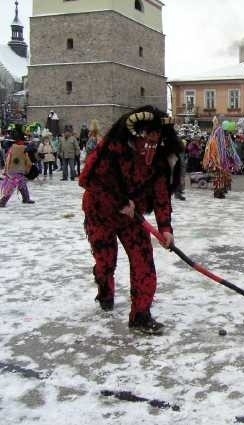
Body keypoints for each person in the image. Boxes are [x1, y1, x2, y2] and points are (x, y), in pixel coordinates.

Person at [78, 105, 183, 335]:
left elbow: (161, 195)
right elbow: (87, 179)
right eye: (149, 134)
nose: (153, 140)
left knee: (144, 262)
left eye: (158, 135)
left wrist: (165, 227)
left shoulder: (160, 160)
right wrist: (119, 203)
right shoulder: (112, 148)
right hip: (100, 212)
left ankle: (140, 315)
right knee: (106, 262)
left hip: (132, 219)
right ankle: (104, 287)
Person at [0, 126, 35, 207]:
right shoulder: (23, 148)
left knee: (22, 184)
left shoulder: (12, 148)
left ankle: (26, 198)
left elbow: (8, 158)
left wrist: (6, 169)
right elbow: (28, 160)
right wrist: (29, 167)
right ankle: (3, 201)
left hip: (12, 170)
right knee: (11, 186)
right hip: (17, 170)